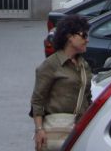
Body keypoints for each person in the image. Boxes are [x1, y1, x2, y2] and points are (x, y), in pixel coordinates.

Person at [31, 14, 92, 150]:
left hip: (79, 129)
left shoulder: (84, 65)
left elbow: (88, 98)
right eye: (84, 36)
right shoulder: (51, 64)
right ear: (70, 37)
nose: (87, 40)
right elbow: (37, 100)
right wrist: (39, 129)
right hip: (55, 130)